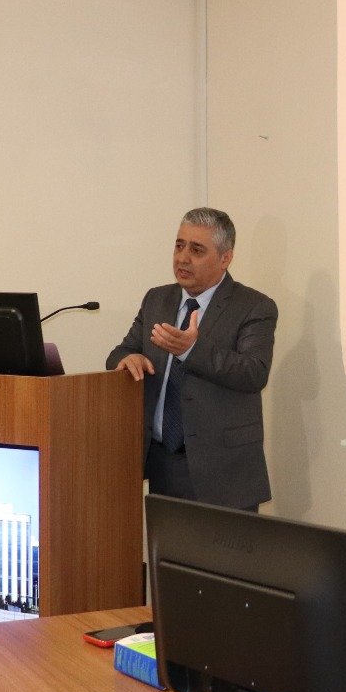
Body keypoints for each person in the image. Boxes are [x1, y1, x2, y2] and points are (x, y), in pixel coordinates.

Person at [107, 208, 276, 511]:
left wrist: (191, 350)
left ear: (225, 258)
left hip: (223, 471)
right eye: (179, 245)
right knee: (166, 544)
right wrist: (129, 357)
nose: (183, 258)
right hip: (162, 463)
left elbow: (254, 372)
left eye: (197, 250)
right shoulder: (157, 299)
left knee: (222, 546)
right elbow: (120, 352)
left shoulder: (254, 306)